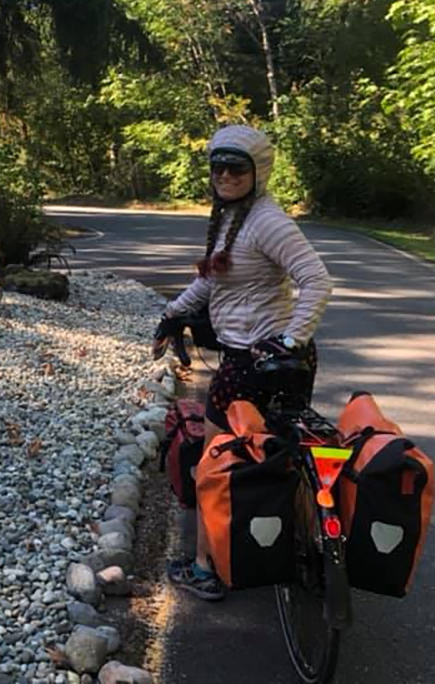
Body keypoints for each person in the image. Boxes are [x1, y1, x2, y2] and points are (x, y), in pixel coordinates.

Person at [160, 124, 332, 600]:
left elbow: (317, 281)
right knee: (280, 455)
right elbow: (214, 283)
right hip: (279, 358)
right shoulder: (234, 217)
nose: (224, 175)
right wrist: (172, 313)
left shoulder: (266, 221)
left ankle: (204, 569)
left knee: (215, 465)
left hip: (253, 361)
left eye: (237, 167)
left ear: (259, 172)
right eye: (217, 166)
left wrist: (289, 339)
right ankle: (298, 548)